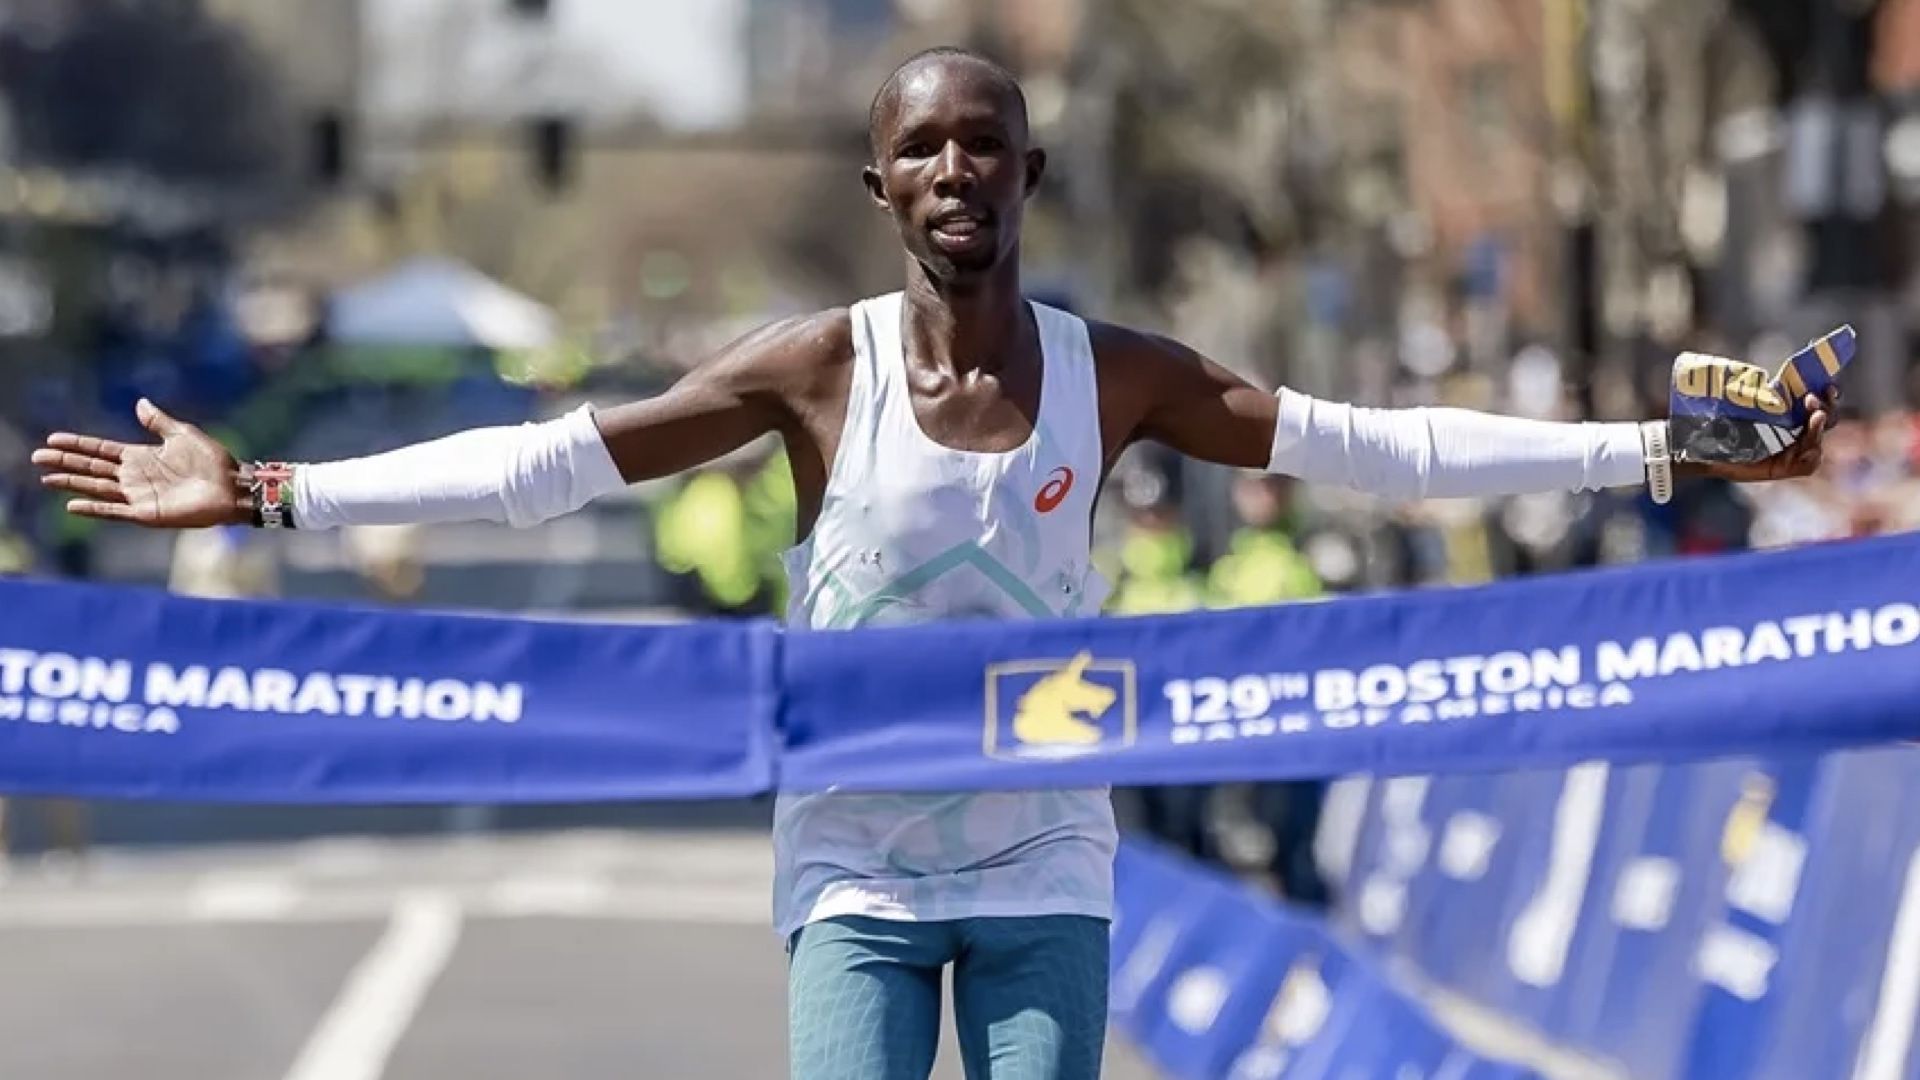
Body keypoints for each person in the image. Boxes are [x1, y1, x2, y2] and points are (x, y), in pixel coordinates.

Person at [30, 46, 1834, 1080]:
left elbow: (1381, 444)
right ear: (881, 186)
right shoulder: (813, 370)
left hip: (1048, 856)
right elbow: (553, 466)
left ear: (1027, 171)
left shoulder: (1114, 374)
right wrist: (268, 488)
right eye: (921, 148)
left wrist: (1661, 445)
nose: (955, 168)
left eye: (985, 143)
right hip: (857, 880)